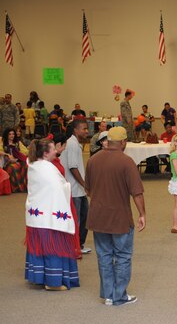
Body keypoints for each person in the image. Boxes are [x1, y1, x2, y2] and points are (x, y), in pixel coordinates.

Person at [85, 127, 146, 306]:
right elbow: (137, 193)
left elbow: (88, 189)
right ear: (123, 142)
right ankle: (119, 295)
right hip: (120, 218)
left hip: (97, 217)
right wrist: (142, 214)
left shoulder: (93, 160)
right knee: (123, 256)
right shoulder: (127, 162)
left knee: (103, 255)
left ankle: (108, 295)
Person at [24, 139, 80, 290]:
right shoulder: (47, 168)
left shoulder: (34, 165)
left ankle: (39, 276)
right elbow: (58, 188)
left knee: (40, 245)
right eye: (52, 149)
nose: (56, 151)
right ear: (45, 153)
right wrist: (67, 186)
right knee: (53, 246)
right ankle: (53, 282)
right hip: (49, 215)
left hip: (37, 213)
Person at [60, 119, 91, 254]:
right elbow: (73, 167)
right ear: (75, 130)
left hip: (79, 189)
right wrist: (85, 185)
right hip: (74, 189)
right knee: (77, 219)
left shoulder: (75, 143)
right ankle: (74, 246)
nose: (86, 131)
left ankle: (79, 244)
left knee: (85, 217)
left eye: (86, 129)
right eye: (83, 129)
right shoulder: (72, 144)